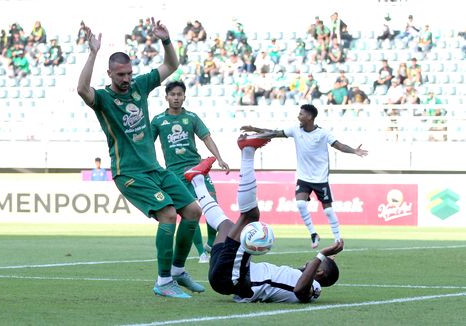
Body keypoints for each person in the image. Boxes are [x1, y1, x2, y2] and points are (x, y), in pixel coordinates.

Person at [76, 19, 204, 299]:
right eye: (120, 75)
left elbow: (171, 66)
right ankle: (163, 281)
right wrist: (93, 52)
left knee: (193, 211)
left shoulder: (140, 86)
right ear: (110, 73)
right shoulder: (103, 99)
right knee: (168, 215)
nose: (126, 79)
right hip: (129, 173)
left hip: (155, 169)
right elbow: (82, 89)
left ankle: (179, 271)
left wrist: (166, 41)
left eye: (129, 74)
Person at [184, 135, 344, 303]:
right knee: (226, 226)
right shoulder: (300, 275)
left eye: (315, 264)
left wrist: (322, 254)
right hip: (229, 273)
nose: (309, 262)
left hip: (233, 277)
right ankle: (197, 179)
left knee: (251, 216)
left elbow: (300, 291)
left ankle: (247, 151)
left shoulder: (314, 288)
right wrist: (325, 260)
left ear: (318, 273)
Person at [240, 104, 368, 248]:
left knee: (328, 210)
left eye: (301, 114)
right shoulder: (295, 129)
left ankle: (338, 239)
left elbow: (339, 145)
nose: (298, 116)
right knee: (300, 203)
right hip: (304, 177)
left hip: (320, 178)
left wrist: (354, 151)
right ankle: (313, 233)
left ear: (310, 117)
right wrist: (254, 130)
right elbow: (274, 133)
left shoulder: (323, 133)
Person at [151, 80, 230, 263]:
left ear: (184, 96)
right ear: (167, 97)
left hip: (197, 169)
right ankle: (202, 251)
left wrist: (219, 158)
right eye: (173, 95)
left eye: (179, 94)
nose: (176, 98)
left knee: (213, 205)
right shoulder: (158, 121)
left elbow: (206, 138)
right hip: (175, 174)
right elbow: (147, 144)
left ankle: (210, 243)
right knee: (189, 213)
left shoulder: (192, 117)